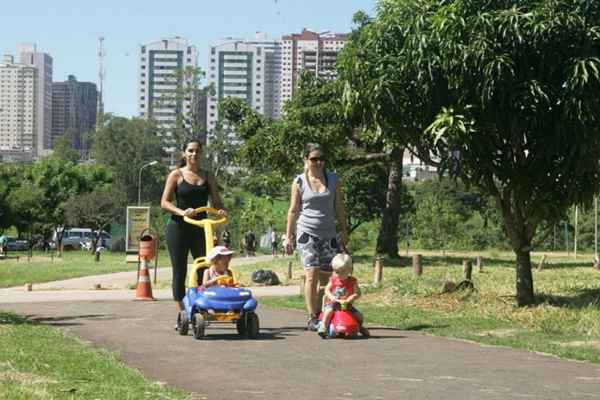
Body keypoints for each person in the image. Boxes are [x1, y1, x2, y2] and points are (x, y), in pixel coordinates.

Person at [161, 137, 226, 329]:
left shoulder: (208, 176)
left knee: (205, 268)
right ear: (184, 153)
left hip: (201, 228)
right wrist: (182, 212)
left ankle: (202, 308)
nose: (194, 154)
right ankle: (182, 313)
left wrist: (220, 210)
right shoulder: (176, 175)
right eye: (190, 151)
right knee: (179, 270)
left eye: (197, 151)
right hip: (179, 227)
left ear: (202, 153)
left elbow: (217, 201)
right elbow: (164, 202)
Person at [283, 143, 349, 331]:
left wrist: (344, 230)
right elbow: (293, 210)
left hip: (329, 234)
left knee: (327, 278)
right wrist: (288, 236)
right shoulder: (299, 182)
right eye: (314, 159)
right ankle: (312, 316)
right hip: (307, 233)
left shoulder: (333, 179)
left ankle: (323, 312)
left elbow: (339, 207)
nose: (319, 163)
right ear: (306, 160)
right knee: (311, 273)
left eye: (321, 159)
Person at [318, 253, 369, 338]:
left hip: (346, 304)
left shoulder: (352, 281)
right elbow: (327, 289)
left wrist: (351, 297)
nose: (339, 275)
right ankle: (323, 327)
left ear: (349, 270)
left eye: (342, 272)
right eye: (337, 272)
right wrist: (332, 297)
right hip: (333, 303)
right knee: (328, 311)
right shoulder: (334, 280)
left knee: (359, 316)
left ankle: (359, 327)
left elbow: (357, 292)